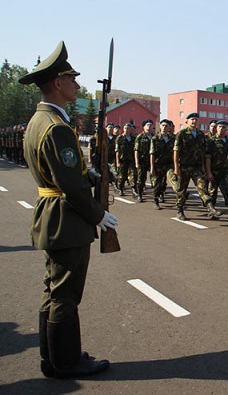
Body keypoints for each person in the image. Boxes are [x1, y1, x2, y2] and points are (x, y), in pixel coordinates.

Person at [19, 41, 118, 378]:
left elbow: (64, 172)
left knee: (54, 290)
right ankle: (66, 362)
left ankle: (54, 357)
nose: (77, 84)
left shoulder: (38, 122)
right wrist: (99, 215)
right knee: (66, 294)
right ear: (58, 84)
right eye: (72, 79)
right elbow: (70, 187)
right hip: (66, 219)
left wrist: (88, 173)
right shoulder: (56, 128)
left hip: (52, 216)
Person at [170, 112, 219, 221]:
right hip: (184, 167)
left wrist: (204, 168)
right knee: (181, 190)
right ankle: (180, 210)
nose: (194, 121)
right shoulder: (181, 134)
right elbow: (176, 151)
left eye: (196, 119)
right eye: (192, 119)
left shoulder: (201, 134)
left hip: (197, 167)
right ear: (187, 121)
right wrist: (176, 168)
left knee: (203, 188)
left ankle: (210, 208)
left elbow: (203, 153)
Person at [150, 119, 175, 209]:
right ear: (160, 127)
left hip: (169, 164)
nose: (164, 127)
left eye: (166, 126)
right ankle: (156, 200)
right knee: (158, 183)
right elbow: (152, 153)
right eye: (163, 125)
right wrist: (152, 167)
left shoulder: (172, 139)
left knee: (171, 179)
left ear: (169, 128)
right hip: (158, 164)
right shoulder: (155, 139)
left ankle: (165, 194)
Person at [207, 120, 228, 207]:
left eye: (224, 127)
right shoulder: (211, 141)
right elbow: (208, 157)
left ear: (226, 129)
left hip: (226, 171)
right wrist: (209, 172)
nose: (221, 129)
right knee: (213, 192)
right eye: (219, 127)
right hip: (215, 171)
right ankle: (212, 210)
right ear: (216, 128)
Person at [134, 119, 154, 202]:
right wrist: (137, 162)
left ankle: (158, 195)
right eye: (147, 125)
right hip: (142, 161)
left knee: (155, 179)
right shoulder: (140, 137)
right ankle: (140, 194)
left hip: (152, 162)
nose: (149, 126)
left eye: (150, 125)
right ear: (144, 127)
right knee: (141, 179)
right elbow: (136, 150)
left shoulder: (154, 137)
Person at [115, 123, 137, 196]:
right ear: (123, 129)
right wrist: (117, 162)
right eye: (125, 128)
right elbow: (117, 151)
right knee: (122, 175)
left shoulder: (134, 139)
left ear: (131, 130)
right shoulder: (119, 138)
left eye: (128, 128)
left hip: (131, 160)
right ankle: (121, 188)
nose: (126, 130)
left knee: (133, 174)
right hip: (123, 160)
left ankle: (134, 189)